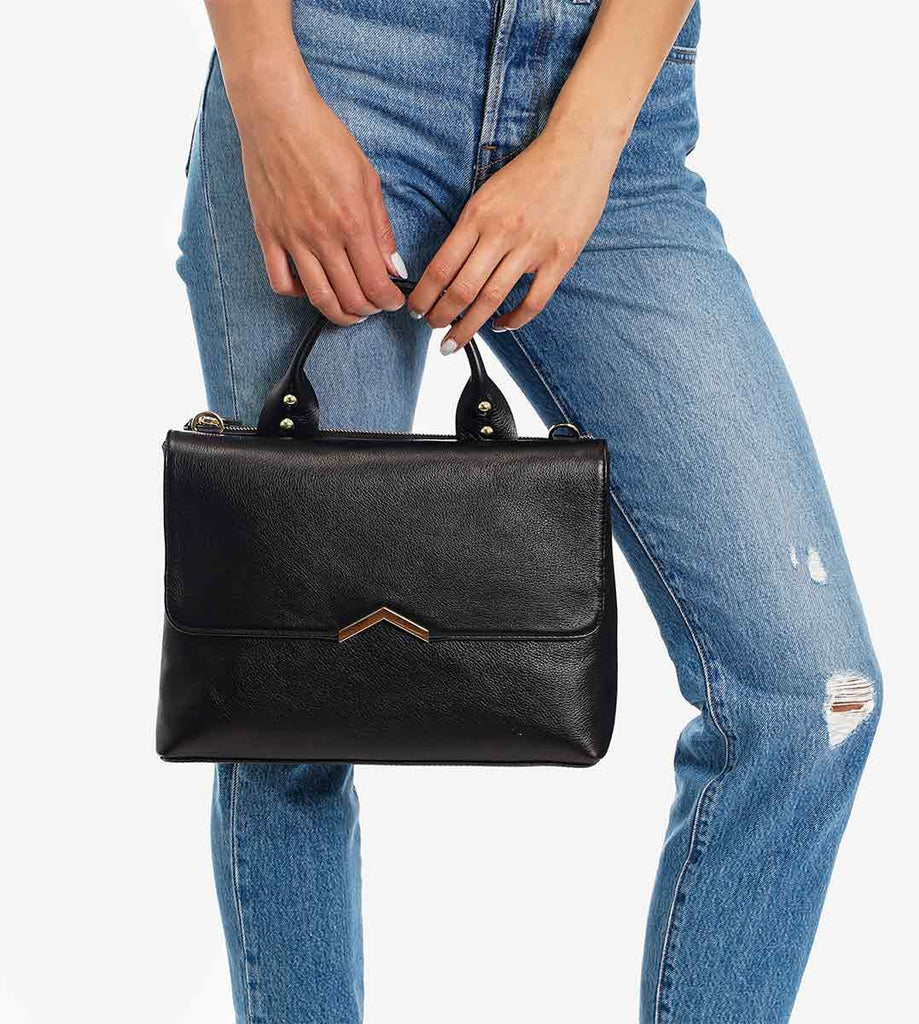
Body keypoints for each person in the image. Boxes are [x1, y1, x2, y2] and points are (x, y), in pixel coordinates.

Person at [176, 1, 882, 1021]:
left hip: (614, 111)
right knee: (290, 690)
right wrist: (268, 94)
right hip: (343, 63)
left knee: (809, 694)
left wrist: (584, 143)